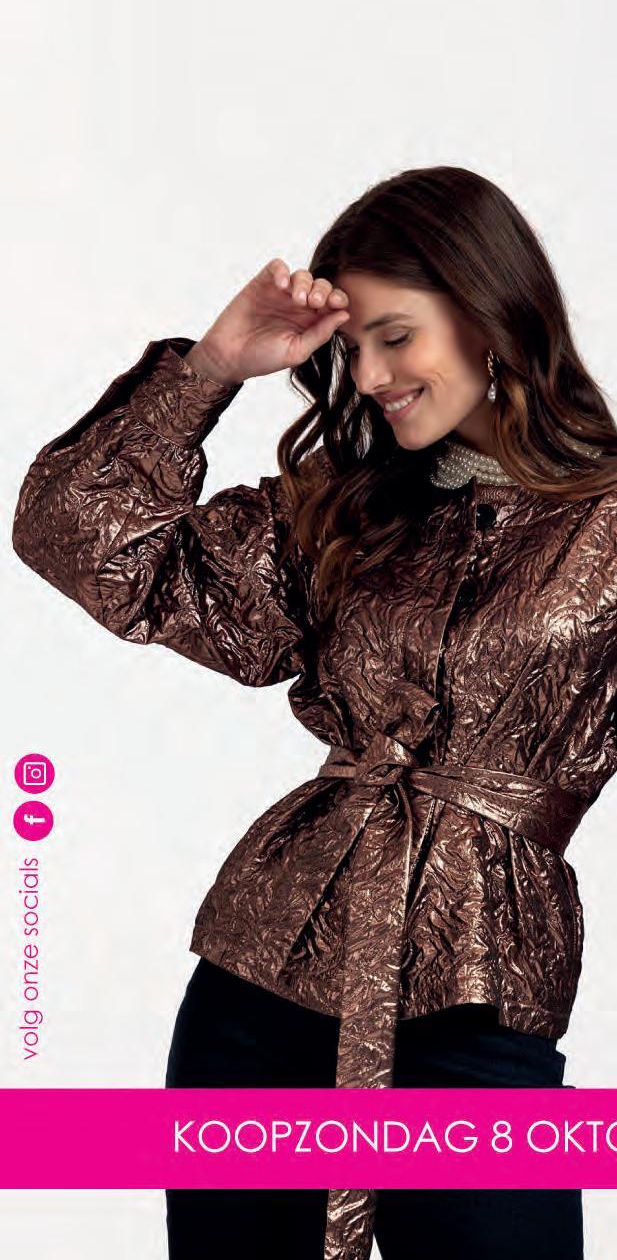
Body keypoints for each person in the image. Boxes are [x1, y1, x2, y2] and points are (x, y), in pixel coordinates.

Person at [12, 164, 617, 1260]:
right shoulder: (338, 510)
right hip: (260, 990)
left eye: (396, 336)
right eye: (353, 349)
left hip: (478, 989)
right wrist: (209, 369)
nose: (369, 375)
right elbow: (81, 539)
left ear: (489, 315)